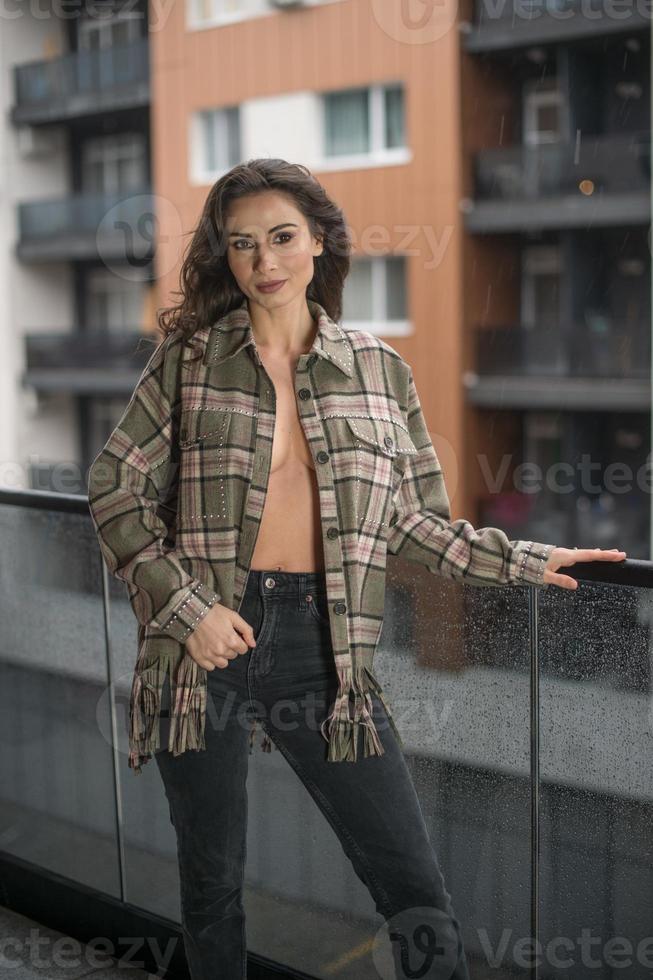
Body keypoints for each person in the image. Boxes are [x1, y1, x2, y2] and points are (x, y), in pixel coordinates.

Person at [87, 158, 627, 980]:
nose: (264, 262)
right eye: (241, 245)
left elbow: (410, 527)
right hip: (204, 648)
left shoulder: (380, 372)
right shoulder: (188, 362)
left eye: (280, 239)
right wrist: (185, 610)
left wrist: (524, 559)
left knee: (414, 890)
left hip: (326, 650)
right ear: (223, 257)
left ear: (317, 245)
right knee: (211, 885)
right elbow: (114, 488)